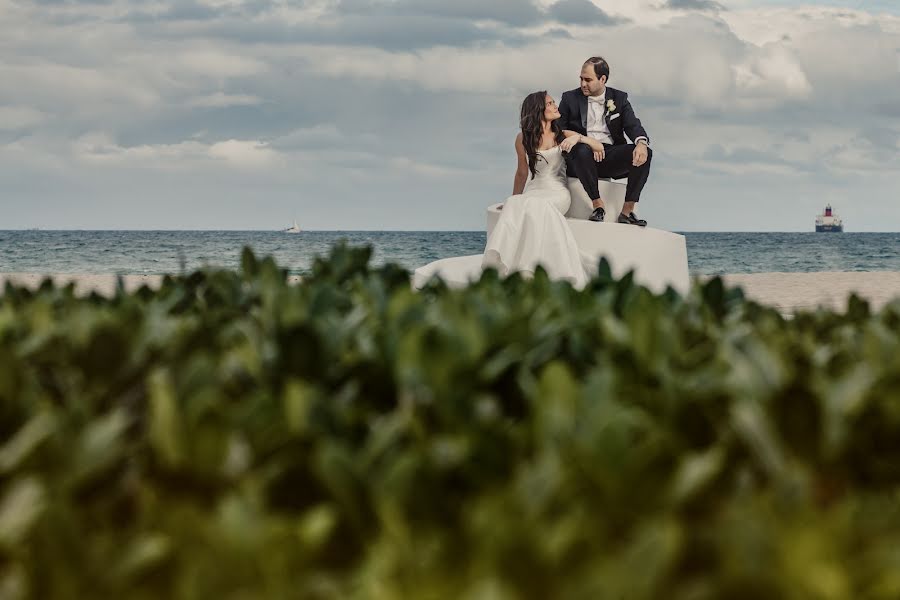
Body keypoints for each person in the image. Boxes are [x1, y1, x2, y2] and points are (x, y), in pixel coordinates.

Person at [482, 91, 589, 287]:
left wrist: (578, 138)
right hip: (534, 188)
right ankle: (510, 267)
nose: (555, 105)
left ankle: (529, 270)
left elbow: (598, 147)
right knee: (517, 202)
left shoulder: (563, 134)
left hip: (557, 191)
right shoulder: (522, 138)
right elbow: (522, 173)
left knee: (535, 205)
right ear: (539, 110)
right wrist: (513, 200)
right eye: (550, 103)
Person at [558, 56, 652, 226]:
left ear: (603, 79)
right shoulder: (569, 98)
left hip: (609, 155)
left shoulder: (619, 98)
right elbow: (558, 129)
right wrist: (583, 140)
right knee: (581, 150)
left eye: (588, 80)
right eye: (581, 79)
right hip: (581, 156)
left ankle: (627, 211)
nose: (583, 84)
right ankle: (598, 205)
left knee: (646, 152)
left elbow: (633, 125)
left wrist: (641, 143)